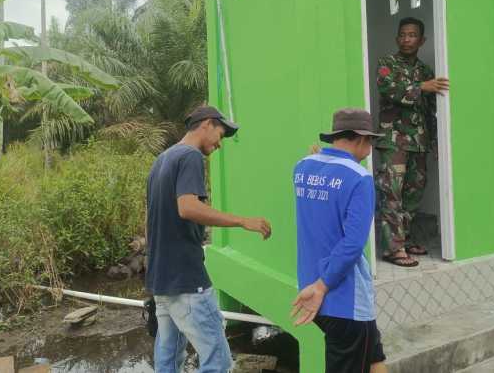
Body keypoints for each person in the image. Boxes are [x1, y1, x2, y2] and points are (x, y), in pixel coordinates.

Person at [146, 106, 272, 373]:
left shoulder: (163, 159)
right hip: (187, 280)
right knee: (218, 360)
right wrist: (242, 221)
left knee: (168, 359)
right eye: (221, 134)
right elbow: (187, 207)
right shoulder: (190, 157)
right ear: (206, 124)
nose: (220, 144)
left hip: (162, 281)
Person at [291, 108, 387, 373]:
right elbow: (354, 243)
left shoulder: (302, 167)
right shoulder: (360, 177)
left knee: (374, 356)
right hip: (342, 297)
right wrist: (323, 286)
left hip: (311, 288)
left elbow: (321, 202)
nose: (369, 150)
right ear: (360, 138)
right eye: (370, 142)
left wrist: (318, 286)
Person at [375, 17, 449, 267]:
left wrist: (437, 141)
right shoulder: (387, 63)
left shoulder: (426, 71)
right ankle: (392, 249)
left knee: (413, 194)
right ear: (397, 38)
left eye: (412, 35)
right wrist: (421, 87)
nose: (407, 39)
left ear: (422, 40)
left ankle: (404, 239)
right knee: (391, 193)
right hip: (394, 142)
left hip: (419, 142)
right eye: (403, 35)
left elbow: (431, 111)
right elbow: (389, 90)